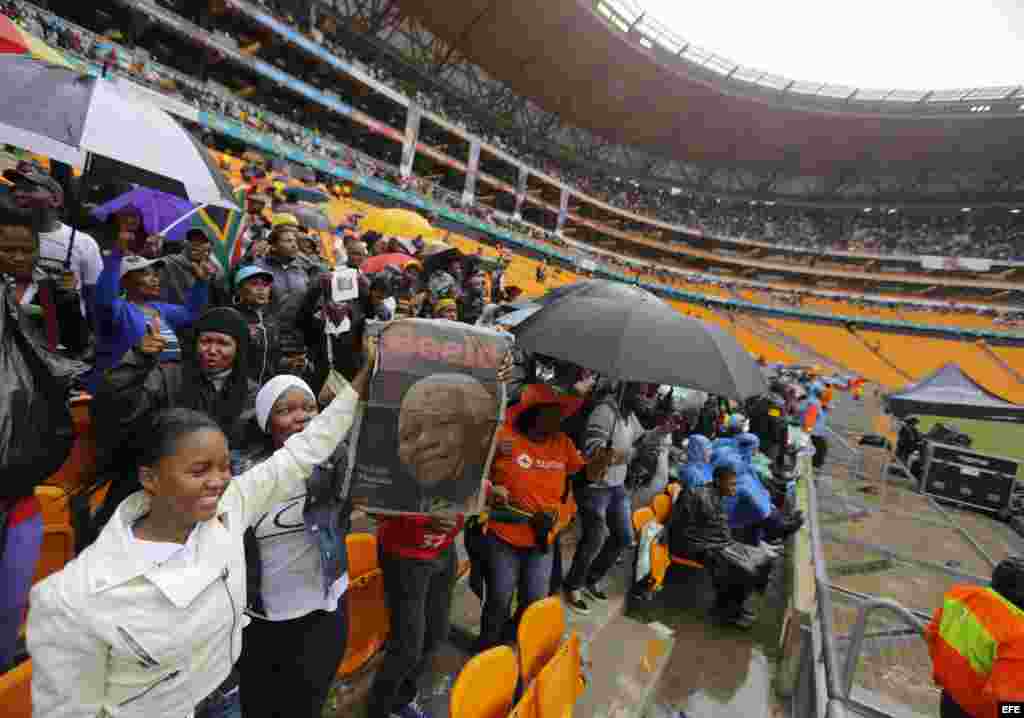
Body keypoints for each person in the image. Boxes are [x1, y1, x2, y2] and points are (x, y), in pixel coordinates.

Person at [27, 345, 373, 718]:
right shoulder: (78, 596)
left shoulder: (232, 504)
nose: (218, 481)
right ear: (151, 478)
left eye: (225, 466)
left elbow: (304, 450)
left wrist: (363, 380)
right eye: (198, 470)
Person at [366, 359, 513, 718]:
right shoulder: (400, 452)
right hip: (405, 557)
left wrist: (490, 490)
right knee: (407, 647)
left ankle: (404, 700)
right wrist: (423, 516)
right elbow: (373, 506)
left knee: (434, 638)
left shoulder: (465, 448)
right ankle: (379, 709)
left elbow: (466, 483)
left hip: (443, 555)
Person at [236, 375, 355, 718]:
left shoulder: (337, 462)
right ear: (265, 422)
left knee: (306, 708)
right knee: (259, 708)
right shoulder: (243, 475)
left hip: (321, 613)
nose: (301, 416)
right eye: (286, 410)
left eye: (309, 407)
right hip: (260, 620)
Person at [89, 307, 260, 539]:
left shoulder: (251, 393)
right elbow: (116, 405)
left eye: (223, 343)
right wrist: (138, 359)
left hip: (216, 497)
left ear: (239, 348)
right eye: (206, 341)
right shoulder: (168, 376)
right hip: (158, 489)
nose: (212, 350)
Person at [479, 384, 611, 650]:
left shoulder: (563, 443)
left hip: (542, 538)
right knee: (499, 596)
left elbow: (582, 478)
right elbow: (477, 472)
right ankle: (486, 649)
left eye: (559, 414)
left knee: (534, 600)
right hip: (503, 535)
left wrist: (600, 463)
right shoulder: (504, 437)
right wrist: (491, 488)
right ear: (533, 414)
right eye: (551, 413)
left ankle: (508, 637)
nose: (557, 419)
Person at [563, 382, 664, 615]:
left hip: (617, 485)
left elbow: (641, 439)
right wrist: (629, 454)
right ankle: (573, 585)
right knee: (595, 538)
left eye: (649, 394)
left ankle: (591, 578)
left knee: (624, 536)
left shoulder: (629, 416)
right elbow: (593, 452)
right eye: (643, 392)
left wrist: (661, 430)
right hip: (596, 486)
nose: (647, 398)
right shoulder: (604, 413)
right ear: (626, 389)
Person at [90, 241, 210, 389]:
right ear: (124, 281)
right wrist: (115, 257)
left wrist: (201, 282)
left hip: (162, 388)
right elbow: (105, 300)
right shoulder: (118, 310)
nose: (155, 279)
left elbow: (192, 313)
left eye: (155, 274)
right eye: (146, 274)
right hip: (125, 390)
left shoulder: (160, 309)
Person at [668, 463, 772, 629]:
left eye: (735, 484)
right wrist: (716, 545)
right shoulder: (696, 494)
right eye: (731, 484)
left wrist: (725, 543)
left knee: (762, 559)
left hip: (714, 542)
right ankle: (726, 612)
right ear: (717, 481)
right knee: (743, 568)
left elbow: (716, 528)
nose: (735, 488)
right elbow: (680, 529)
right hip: (695, 546)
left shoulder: (716, 496)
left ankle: (733, 606)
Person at [924, 557, 1024, 718]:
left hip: (949, 697)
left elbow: (932, 636)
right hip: (977, 712)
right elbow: (1005, 703)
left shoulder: (958, 596)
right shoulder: (1018, 634)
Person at [8, 164, 102, 318]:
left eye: (29, 189)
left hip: (56, 333)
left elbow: (94, 296)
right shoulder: (6, 235)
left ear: (55, 200)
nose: (18, 194)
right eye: (15, 189)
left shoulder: (83, 243)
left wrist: (72, 293)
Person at [396, 373, 500, 512]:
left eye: (442, 423)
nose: (423, 441)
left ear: (484, 431)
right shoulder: (388, 505)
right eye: (408, 434)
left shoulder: (485, 492)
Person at [0, 203, 89, 355]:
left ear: (38, 249)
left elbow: (77, 346)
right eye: (8, 250)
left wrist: (69, 303)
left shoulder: (52, 290)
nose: (19, 258)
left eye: (28, 250)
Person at [260, 214, 321, 328]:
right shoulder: (260, 268)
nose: (294, 245)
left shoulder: (304, 268)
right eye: (288, 241)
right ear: (273, 246)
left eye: (295, 241)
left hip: (297, 334)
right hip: (268, 332)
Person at [233, 264, 281, 387]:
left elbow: (275, 357)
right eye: (254, 284)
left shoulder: (272, 318)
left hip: (268, 388)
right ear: (239, 290)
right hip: (241, 389)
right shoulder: (232, 317)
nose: (261, 289)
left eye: (265, 285)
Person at [159, 228, 227, 308]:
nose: (196, 244)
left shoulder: (214, 270)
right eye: (192, 240)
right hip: (175, 314)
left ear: (210, 247)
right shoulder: (169, 262)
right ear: (185, 243)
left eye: (202, 242)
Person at [800, 383, 829, 470]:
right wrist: (806, 437)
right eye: (823, 392)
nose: (825, 394)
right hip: (813, 436)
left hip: (813, 435)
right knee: (818, 456)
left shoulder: (814, 402)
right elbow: (809, 421)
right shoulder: (814, 403)